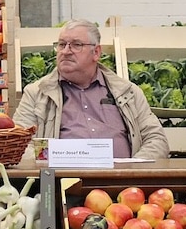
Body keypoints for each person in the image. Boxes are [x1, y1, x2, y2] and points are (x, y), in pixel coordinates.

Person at [13, 19, 168, 160]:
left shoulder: (128, 92)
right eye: (61, 44)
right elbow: (18, 145)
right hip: (61, 184)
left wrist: (131, 170)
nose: (66, 51)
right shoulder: (36, 93)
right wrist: (51, 165)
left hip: (122, 186)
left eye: (76, 45)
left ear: (96, 52)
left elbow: (156, 140)